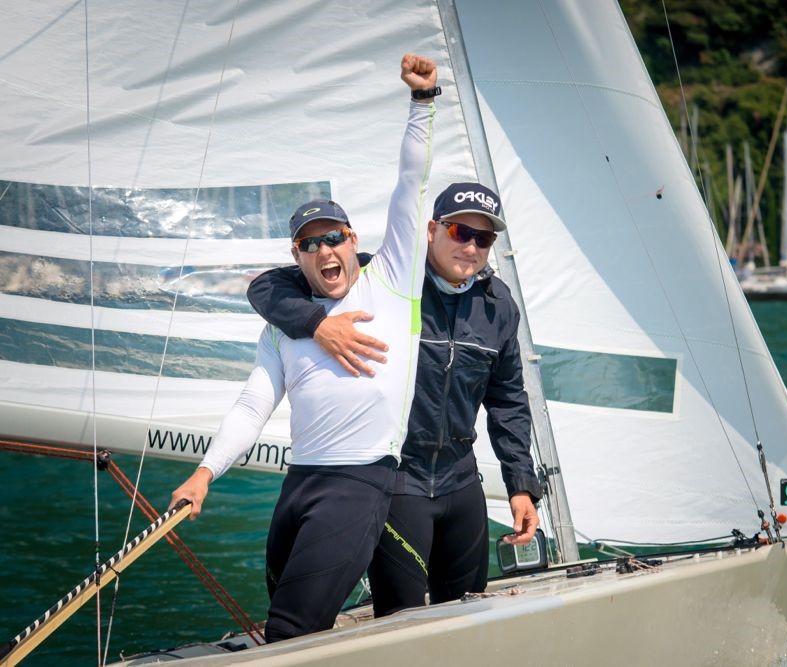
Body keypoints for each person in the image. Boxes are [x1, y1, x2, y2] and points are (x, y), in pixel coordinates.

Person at [169, 53, 439, 642]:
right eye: (310, 243)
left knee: (291, 629)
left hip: (359, 480)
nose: (325, 251)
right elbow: (252, 406)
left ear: (353, 240)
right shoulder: (285, 325)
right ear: (297, 256)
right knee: (289, 623)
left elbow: (410, 183)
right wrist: (204, 474)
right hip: (299, 485)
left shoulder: (391, 280)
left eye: (334, 238)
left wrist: (422, 103)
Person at [246, 181, 542, 617]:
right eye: (461, 232)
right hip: (400, 482)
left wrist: (521, 486)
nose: (472, 247)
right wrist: (316, 324)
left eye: (485, 238)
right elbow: (268, 287)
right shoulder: (384, 280)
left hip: (462, 482)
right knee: (400, 621)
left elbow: (508, 400)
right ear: (430, 231)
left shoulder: (499, 306)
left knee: (468, 617)